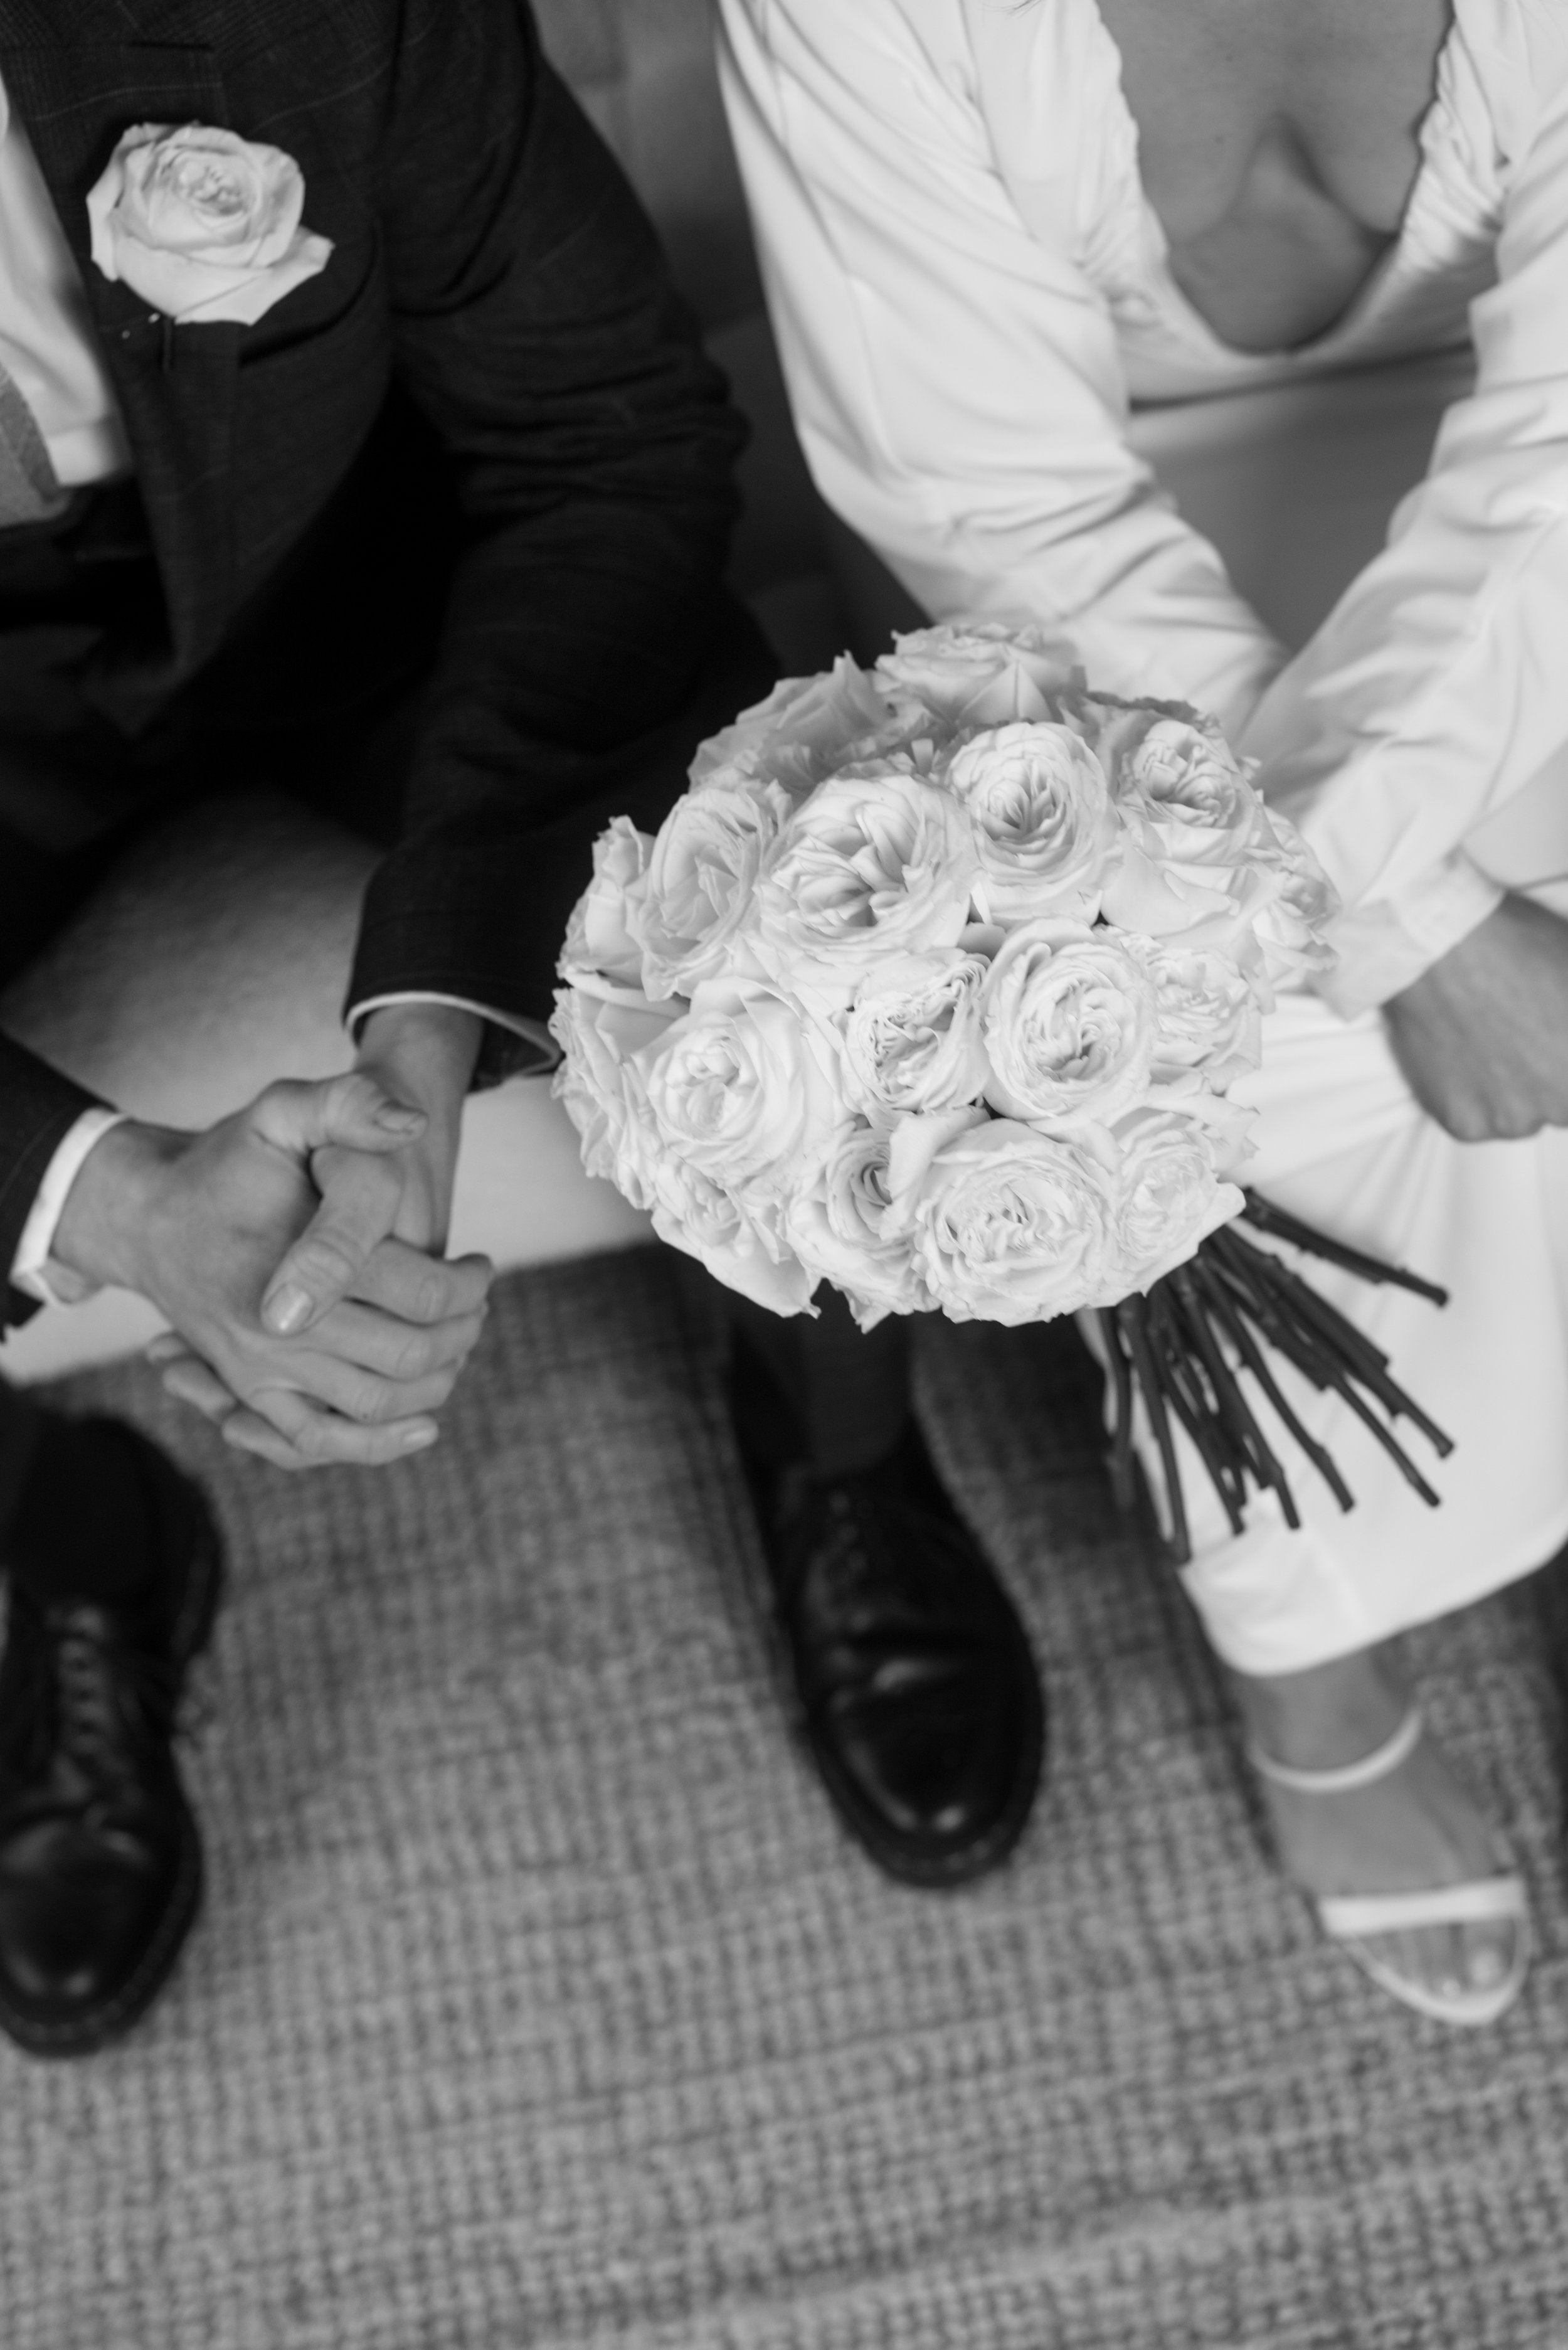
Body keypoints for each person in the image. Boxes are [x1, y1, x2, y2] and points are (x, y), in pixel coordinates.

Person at [0, 0, 1041, 2056]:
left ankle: (835, 1429)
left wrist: (427, 1016)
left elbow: (611, 432)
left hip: (380, 596)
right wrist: (101, 1201)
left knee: (820, 883)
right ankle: (71, 1549)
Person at [717, 0, 1568, 2023]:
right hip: (1082, 589)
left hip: (1526, 495)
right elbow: (1000, 511)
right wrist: (1413, 913)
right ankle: (1320, 1668)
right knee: (1160, 1011)